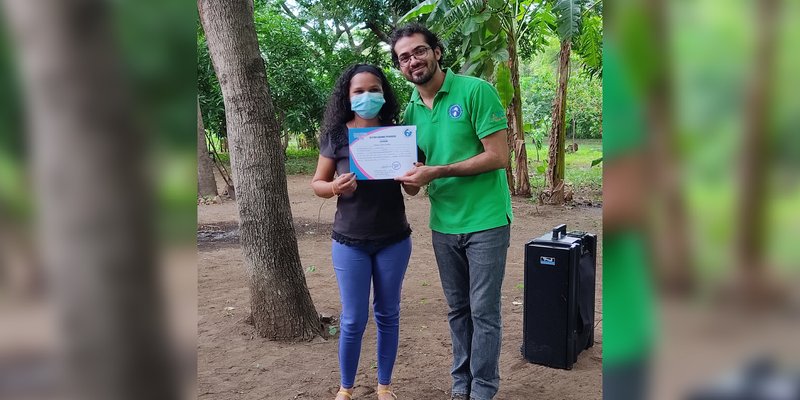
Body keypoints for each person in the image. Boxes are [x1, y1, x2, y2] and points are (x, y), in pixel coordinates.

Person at [390, 24, 513, 400]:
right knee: (458, 310)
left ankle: (484, 390)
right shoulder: (410, 111)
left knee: (483, 312)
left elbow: (499, 157)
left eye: (419, 51)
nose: (414, 61)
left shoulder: (475, 91)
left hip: (486, 220)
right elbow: (415, 180)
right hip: (443, 224)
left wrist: (438, 171)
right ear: (399, 66)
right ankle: (461, 385)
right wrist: (401, 178)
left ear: (437, 52)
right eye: (404, 57)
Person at [311, 63, 420, 400]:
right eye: (359, 91)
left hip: (394, 240)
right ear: (348, 96)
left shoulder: (399, 135)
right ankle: (346, 388)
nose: (366, 96)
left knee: (388, 314)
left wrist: (412, 178)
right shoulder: (336, 136)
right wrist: (334, 188)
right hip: (349, 241)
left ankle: (384, 386)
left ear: (384, 94)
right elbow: (317, 183)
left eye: (373, 89)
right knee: (353, 319)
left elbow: (413, 191)